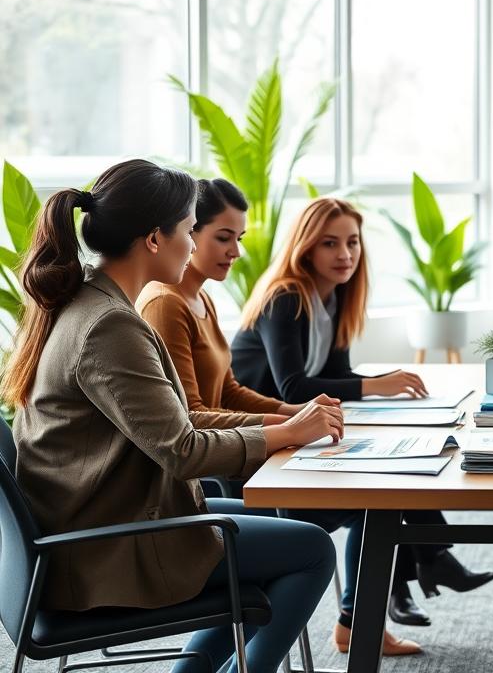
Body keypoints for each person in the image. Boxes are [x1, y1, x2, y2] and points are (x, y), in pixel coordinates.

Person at [5, 159, 345, 673]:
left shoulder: (88, 301)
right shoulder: (110, 326)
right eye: (189, 230)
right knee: (313, 549)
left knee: (277, 531)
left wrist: (284, 427)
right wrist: (282, 433)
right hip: (104, 548)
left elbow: (179, 420)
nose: (192, 245)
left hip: (97, 524)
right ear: (153, 239)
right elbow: (183, 452)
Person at [137, 179, 420, 655]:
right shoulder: (165, 303)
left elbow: (229, 391)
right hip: (220, 473)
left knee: (378, 497)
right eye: (221, 237)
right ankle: (360, 620)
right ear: (186, 233)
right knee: (347, 521)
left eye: (239, 239)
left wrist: (300, 413)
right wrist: (288, 427)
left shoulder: (201, 300)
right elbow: (192, 417)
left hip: (241, 456)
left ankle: (360, 621)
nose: (236, 252)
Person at [230, 197, 493, 640]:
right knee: (384, 494)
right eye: (330, 243)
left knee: (400, 472)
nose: (345, 254)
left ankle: (399, 589)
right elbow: (292, 388)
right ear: (305, 248)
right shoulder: (285, 298)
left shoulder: (333, 297)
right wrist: (377, 384)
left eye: (352, 242)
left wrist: (383, 384)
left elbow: (336, 375)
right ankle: (402, 585)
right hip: (262, 459)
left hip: (300, 442)